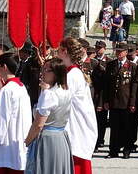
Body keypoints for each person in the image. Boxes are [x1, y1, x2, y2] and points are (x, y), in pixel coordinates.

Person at [25, 58, 74, 174]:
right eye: (43, 68)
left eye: (47, 70)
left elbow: (38, 124)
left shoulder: (49, 95)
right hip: (61, 137)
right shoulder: (65, 91)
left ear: (56, 73)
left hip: (47, 139)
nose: (43, 72)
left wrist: (27, 141)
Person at [58, 37, 97, 174]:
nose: (57, 54)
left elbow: (59, 101)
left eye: (59, 50)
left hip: (76, 128)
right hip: (75, 126)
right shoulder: (71, 73)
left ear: (65, 52)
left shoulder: (72, 75)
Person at [103, 43, 138, 159]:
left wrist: (133, 102)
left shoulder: (132, 66)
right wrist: (106, 101)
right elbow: (107, 85)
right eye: (117, 51)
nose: (118, 53)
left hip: (126, 102)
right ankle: (113, 150)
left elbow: (134, 86)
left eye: (120, 51)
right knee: (114, 128)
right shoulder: (111, 65)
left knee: (127, 127)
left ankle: (127, 149)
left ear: (125, 52)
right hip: (114, 101)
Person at [93, 41, 112, 151]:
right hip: (93, 93)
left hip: (103, 93)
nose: (98, 50)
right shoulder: (92, 60)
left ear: (104, 49)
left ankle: (101, 139)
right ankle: (95, 140)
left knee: (102, 120)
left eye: (100, 48)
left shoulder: (109, 62)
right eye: (97, 48)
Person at [16, 42, 41, 107]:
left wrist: (37, 55)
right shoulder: (18, 63)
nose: (20, 53)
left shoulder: (33, 63)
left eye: (23, 52)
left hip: (30, 92)